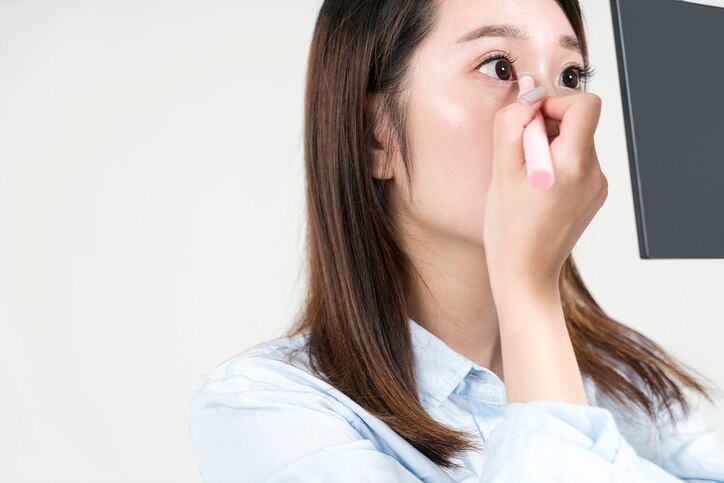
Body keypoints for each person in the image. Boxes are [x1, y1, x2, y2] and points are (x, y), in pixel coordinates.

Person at [188, 0, 724, 480]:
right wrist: (529, 290)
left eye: (570, 74)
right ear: (375, 137)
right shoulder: (269, 408)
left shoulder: (629, 390)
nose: (554, 114)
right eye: (500, 67)